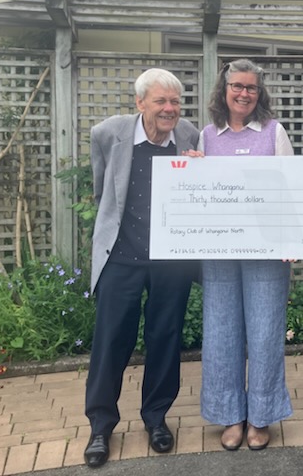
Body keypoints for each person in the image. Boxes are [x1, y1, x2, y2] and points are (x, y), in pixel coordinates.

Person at [83, 68, 200, 468]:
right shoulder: (108, 133)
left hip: (171, 258)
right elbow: (102, 189)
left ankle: (156, 418)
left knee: (165, 338)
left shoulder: (189, 136)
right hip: (122, 256)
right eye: (160, 101)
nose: (169, 109)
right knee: (111, 341)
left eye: (175, 102)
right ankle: (101, 426)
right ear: (140, 103)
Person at [194, 59, 294, 451]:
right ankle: (230, 414)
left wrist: (291, 240)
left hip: (267, 251)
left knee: (265, 332)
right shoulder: (207, 135)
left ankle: (261, 416)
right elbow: (200, 192)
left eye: (251, 87)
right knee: (221, 332)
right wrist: (190, 172)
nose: (244, 93)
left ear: (259, 93)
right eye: (237, 86)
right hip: (219, 251)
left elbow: (290, 188)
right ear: (223, 90)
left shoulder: (274, 132)